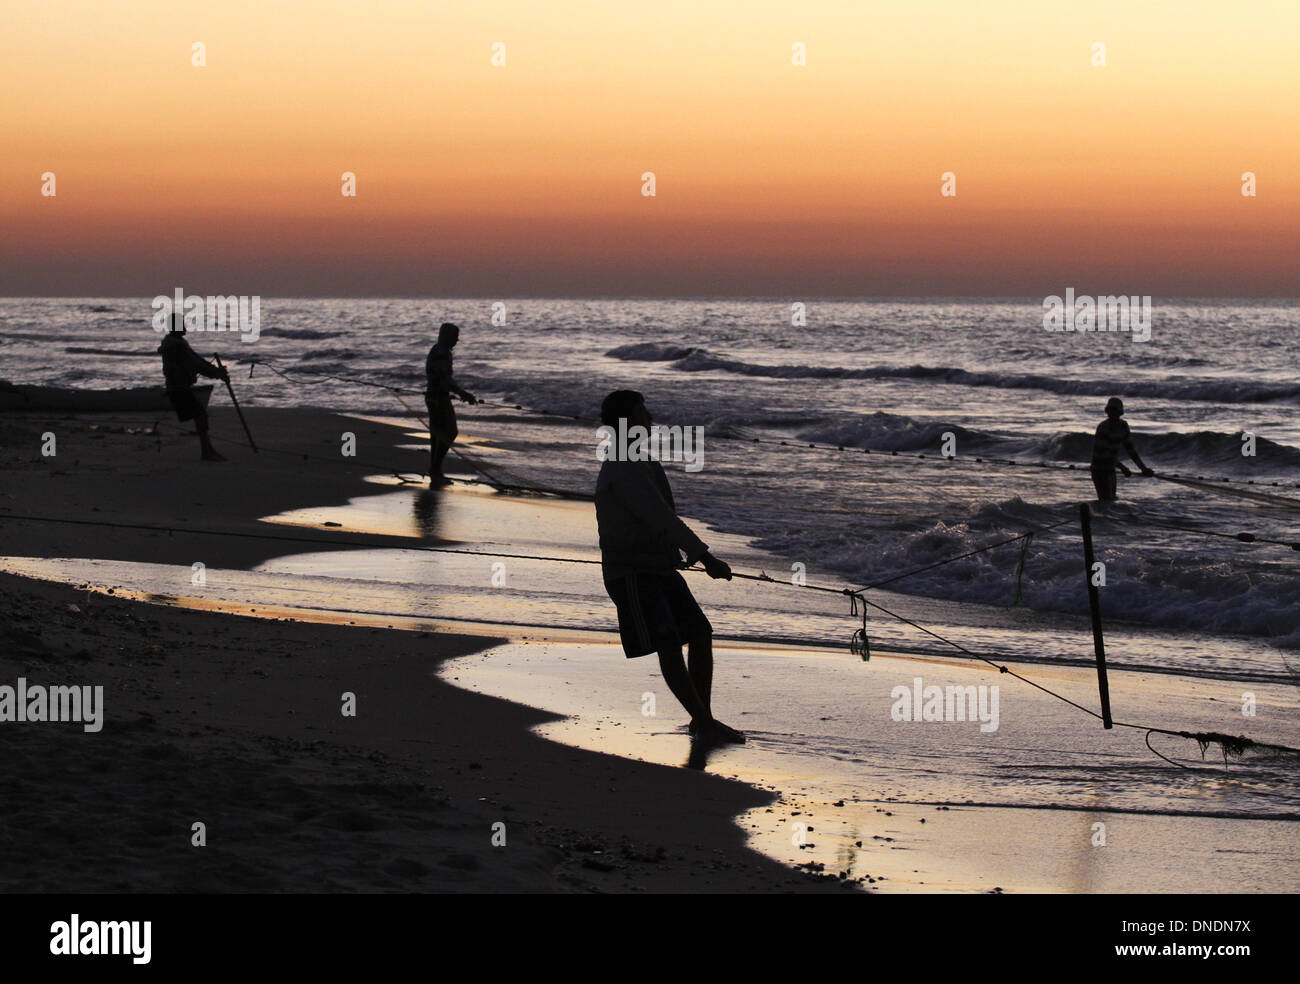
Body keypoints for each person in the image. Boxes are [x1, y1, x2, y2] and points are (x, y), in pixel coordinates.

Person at [594, 389, 744, 745]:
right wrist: (706, 557)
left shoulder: (643, 461)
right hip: (630, 572)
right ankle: (703, 720)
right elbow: (660, 517)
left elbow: (663, 519)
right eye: (642, 414)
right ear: (625, 424)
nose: (650, 419)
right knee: (668, 643)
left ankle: (701, 718)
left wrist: (681, 553)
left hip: (660, 568)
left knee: (700, 634)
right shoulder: (622, 465)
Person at [158, 313, 228, 461]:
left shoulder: (177, 342)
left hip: (179, 387)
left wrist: (215, 371)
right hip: (179, 388)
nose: (185, 327)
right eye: (182, 324)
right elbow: (195, 364)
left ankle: (207, 450)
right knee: (200, 416)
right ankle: (206, 452)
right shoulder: (176, 345)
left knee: (200, 416)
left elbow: (197, 360)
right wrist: (216, 373)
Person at [425, 322, 477, 484]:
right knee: (450, 432)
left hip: (435, 396)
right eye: (455, 337)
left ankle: (435, 470)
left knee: (438, 433)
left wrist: (457, 392)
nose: (457, 340)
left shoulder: (439, 350)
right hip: (438, 398)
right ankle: (436, 469)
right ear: (446, 336)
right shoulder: (441, 353)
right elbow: (444, 379)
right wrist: (463, 393)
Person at [1090, 397, 1153, 500]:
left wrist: (1143, 468)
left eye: (1114, 410)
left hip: (1110, 468)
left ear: (1120, 412)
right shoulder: (1103, 427)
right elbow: (1104, 453)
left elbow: (1130, 449)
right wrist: (1122, 468)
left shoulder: (1123, 426)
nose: (1111, 413)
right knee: (1106, 500)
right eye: (1110, 410)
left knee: (1112, 499)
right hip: (1099, 469)